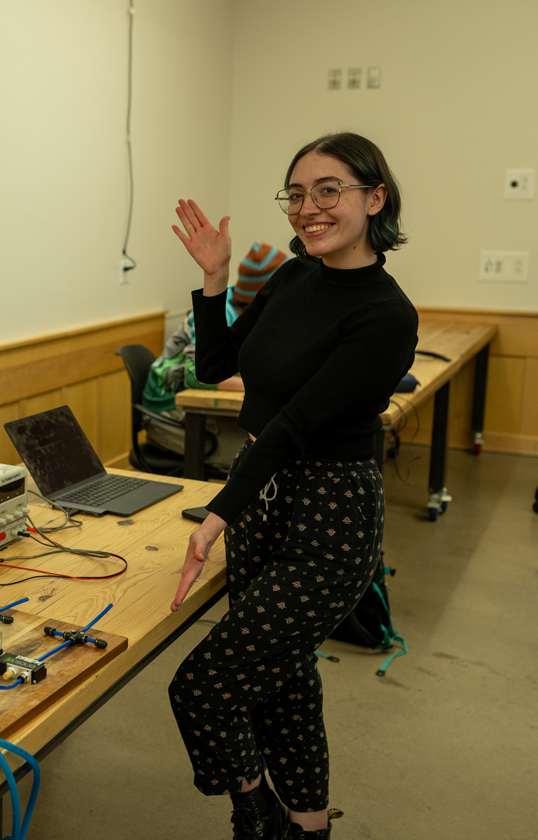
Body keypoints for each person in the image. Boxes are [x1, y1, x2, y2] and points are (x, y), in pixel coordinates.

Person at [165, 133, 418, 839]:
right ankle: (306, 827)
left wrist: (217, 514)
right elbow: (217, 362)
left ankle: (260, 818)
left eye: (329, 190)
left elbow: (296, 423)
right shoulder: (294, 275)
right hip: (265, 499)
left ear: (375, 199)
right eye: (297, 193)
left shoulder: (387, 314)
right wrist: (215, 280)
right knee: (282, 682)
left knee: (204, 685)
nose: (309, 209)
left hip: (327, 517)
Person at [141, 243, 287, 469]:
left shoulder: (258, 314)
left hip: (208, 413)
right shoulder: (219, 312)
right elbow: (196, 377)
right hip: (170, 416)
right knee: (259, 462)